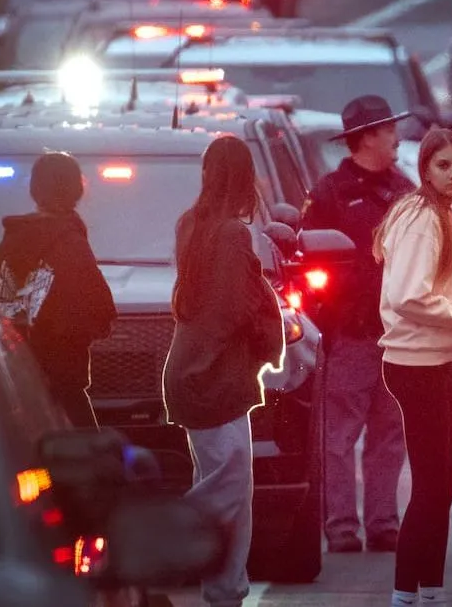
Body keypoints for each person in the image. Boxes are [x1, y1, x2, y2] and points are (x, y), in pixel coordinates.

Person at [162, 135, 284, 607]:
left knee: (230, 485)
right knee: (230, 487)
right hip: (216, 375)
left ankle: (226, 590)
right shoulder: (233, 233)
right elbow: (234, 308)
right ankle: (152, 536)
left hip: (193, 371)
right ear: (245, 178)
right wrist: (266, 331)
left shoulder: (191, 223)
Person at [373, 127, 452, 607]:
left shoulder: (445, 212)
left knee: (442, 485)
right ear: (424, 169)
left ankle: (431, 591)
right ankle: (405, 594)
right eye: (443, 166)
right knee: (432, 486)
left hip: (434, 360)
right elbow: (408, 296)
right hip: (415, 363)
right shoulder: (423, 218)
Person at [300, 94, 415, 553]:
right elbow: (309, 263)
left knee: (390, 435)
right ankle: (342, 526)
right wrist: (334, 313)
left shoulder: (405, 191)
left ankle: (384, 523)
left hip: (399, 336)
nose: (397, 138)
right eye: (389, 131)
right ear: (366, 138)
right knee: (339, 437)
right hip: (350, 336)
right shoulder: (329, 193)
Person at [0, 152, 117, 428]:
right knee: (84, 449)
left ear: (34, 189)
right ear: (77, 189)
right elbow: (100, 310)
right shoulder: (71, 243)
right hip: (64, 382)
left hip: (17, 379)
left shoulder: (10, 242)